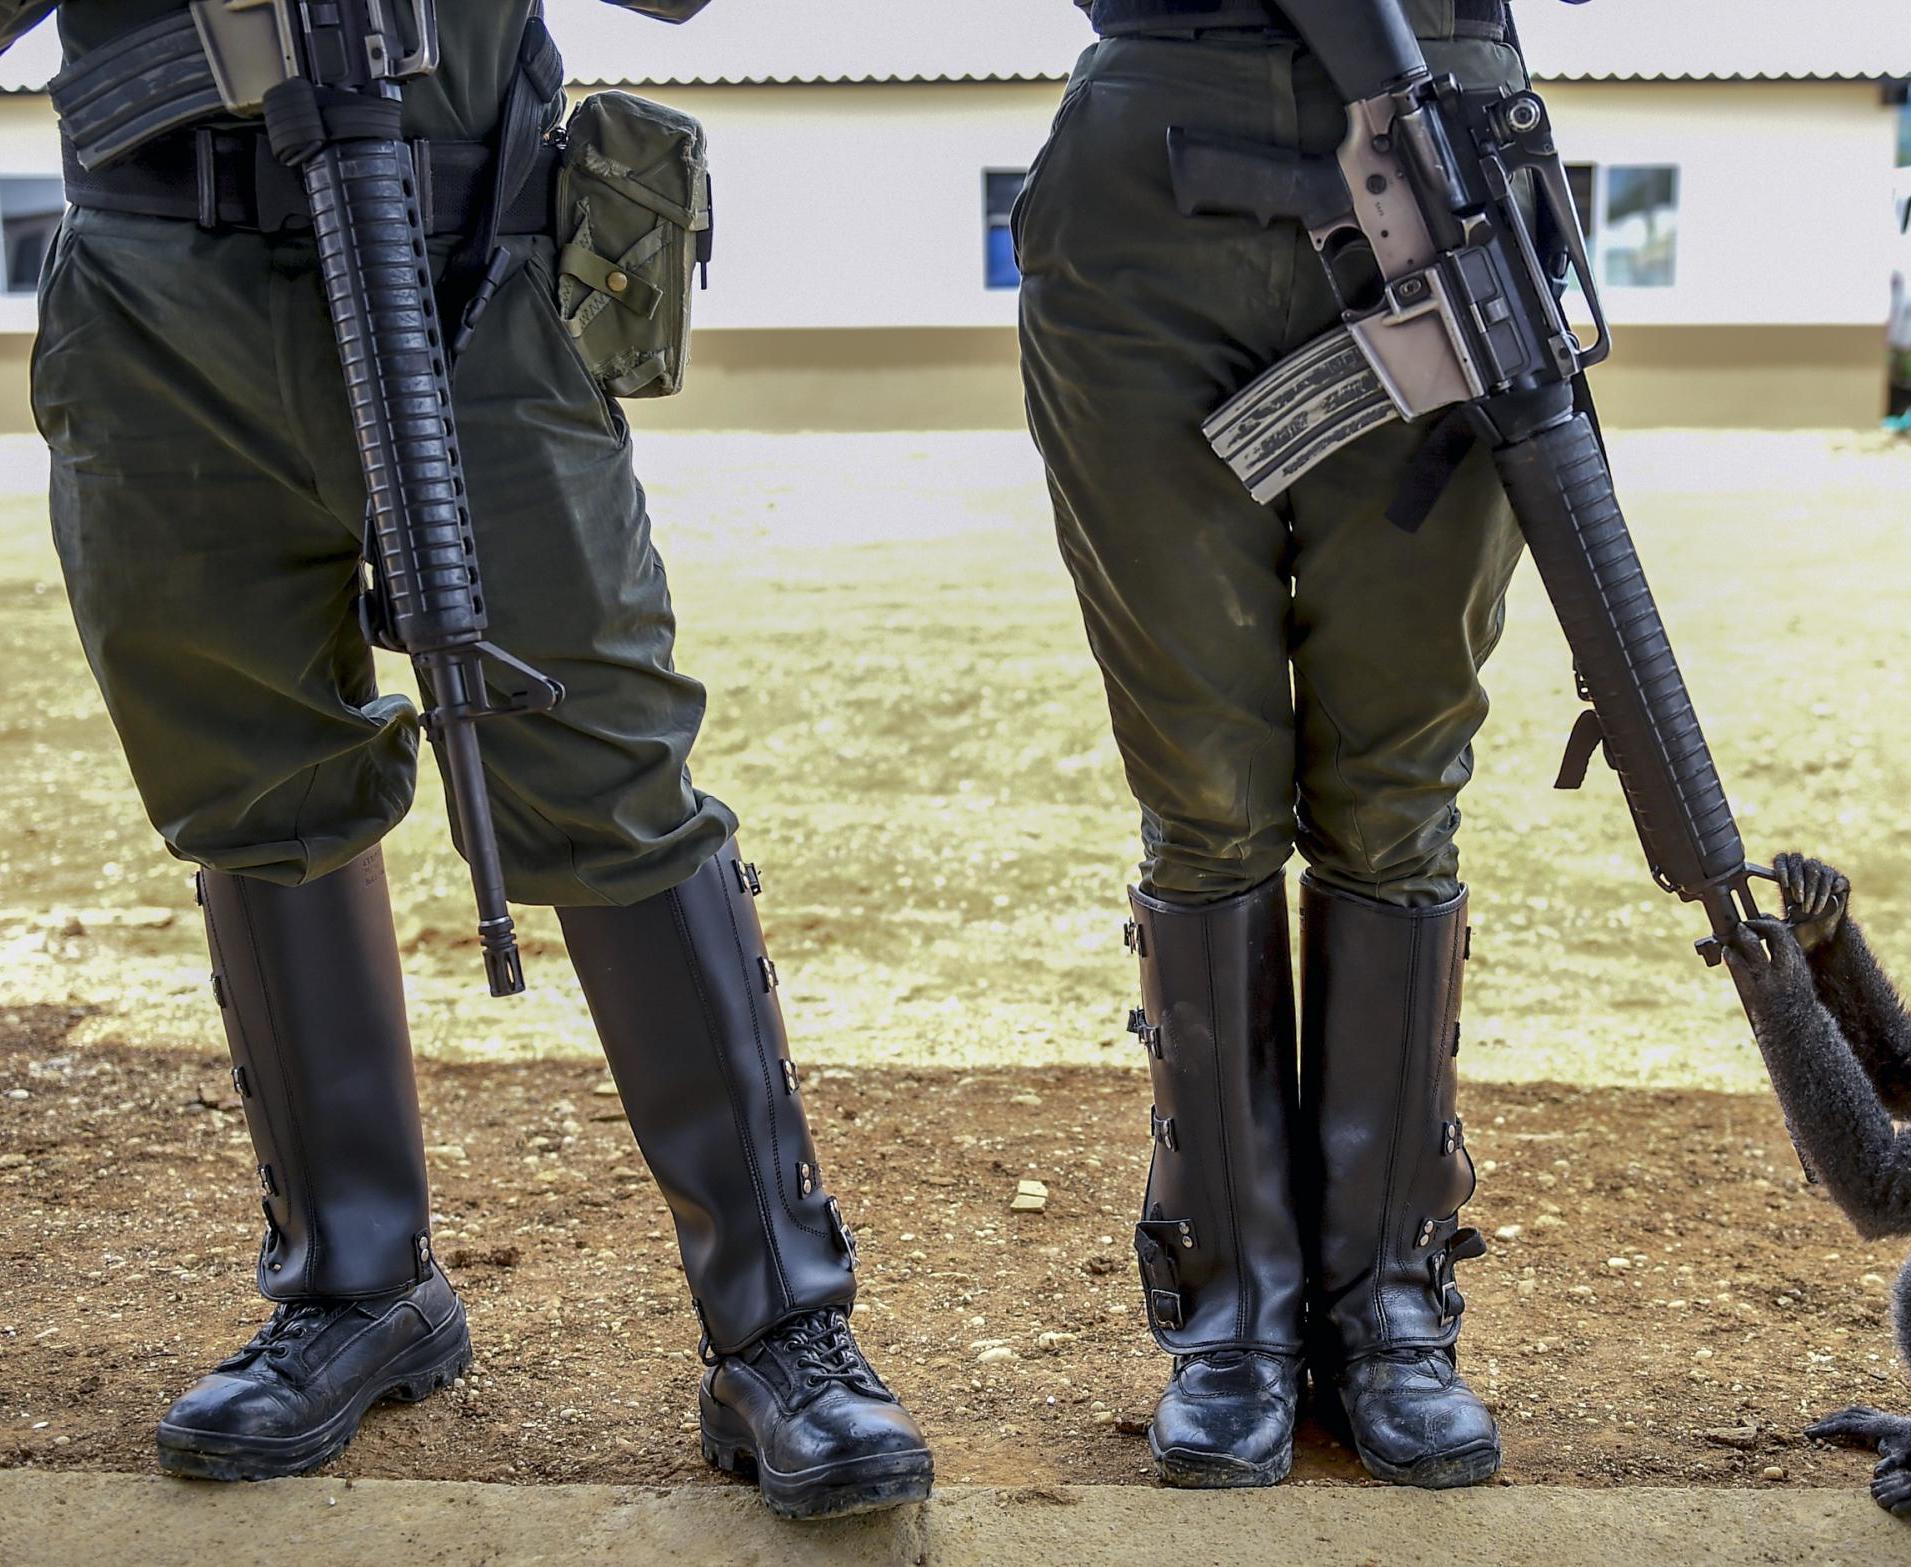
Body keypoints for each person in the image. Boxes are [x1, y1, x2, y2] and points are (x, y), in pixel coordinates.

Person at [13, 0, 930, 1521]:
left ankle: (782, 1329)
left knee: (607, 781)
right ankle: (356, 1287)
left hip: (464, 273)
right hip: (156, 295)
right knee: (255, 791)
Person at [1019, 0, 1530, 1491]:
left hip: (1441, 143)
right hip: (1148, 177)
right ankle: (1233, 1311)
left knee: (1395, 794)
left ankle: (1385, 1305)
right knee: (1202, 793)